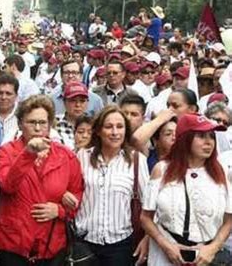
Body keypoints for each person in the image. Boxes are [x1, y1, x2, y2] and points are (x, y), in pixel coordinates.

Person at [0, 95, 84, 265]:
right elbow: (7, 186)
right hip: (15, 245)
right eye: (31, 122)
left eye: (43, 123)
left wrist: (59, 210)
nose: (37, 128)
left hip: (52, 245)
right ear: (20, 124)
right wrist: (27, 154)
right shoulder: (6, 152)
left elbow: (77, 196)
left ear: (50, 125)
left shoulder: (66, 156)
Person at [141, 113, 232, 265]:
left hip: (206, 257)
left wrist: (212, 248)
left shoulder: (221, 172)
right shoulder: (162, 170)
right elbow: (146, 217)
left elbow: (229, 220)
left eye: (211, 136)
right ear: (185, 139)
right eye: (201, 136)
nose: (209, 142)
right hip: (167, 255)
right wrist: (167, 246)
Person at [75, 105, 150, 265]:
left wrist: (147, 238)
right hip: (85, 243)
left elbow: (149, 205)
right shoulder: (82, 157)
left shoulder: (137, 160)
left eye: (120, 127)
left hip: (121, 246)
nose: (115, 132)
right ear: (98, 131)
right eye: (109, 127)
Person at [55, 81, 89, 150]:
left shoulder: (94, 124)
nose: (78, 105)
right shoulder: (54, 123)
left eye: (82, 101)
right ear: (64, 102)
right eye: (73, 101)